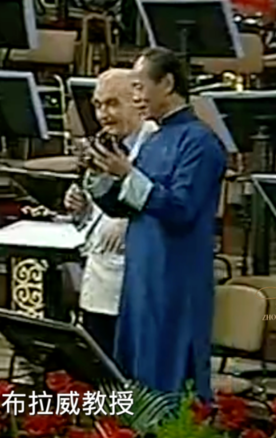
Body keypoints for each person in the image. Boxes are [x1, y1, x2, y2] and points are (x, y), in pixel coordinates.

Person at [89, 47, 226, 400]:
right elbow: (127, 208)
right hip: (141, 275)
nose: (135, 97)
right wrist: (100, 177)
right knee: (134, 373)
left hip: (176, 278)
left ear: (166, 83)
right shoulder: (155, 139)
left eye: (139, 86)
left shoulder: (199, 142)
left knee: (171, 377)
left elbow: (180, 209)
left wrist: (128, 175)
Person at [63, 68, 157, 357]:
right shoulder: (104, 144)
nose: (103, 114)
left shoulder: (157, 145)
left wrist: (129, 224)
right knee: (99, 367)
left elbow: (166, 204)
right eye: (98, 105)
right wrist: (82, 210)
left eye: (113, 104)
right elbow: (98, 219)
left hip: (139, 284)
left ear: (139, 103)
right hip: (100, 280)